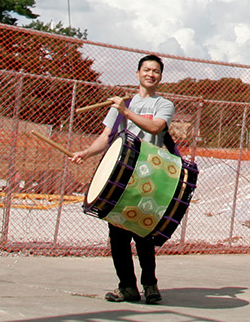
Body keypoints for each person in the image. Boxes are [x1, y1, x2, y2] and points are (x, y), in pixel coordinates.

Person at [71, 54, 176, 305]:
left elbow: (155, 128)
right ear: (138, 73)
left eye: (156, 71)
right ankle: (127, 286)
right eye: (146, 70)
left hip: (149, 175)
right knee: (117, 235)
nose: (150, 74)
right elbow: (106, 137)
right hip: (121, 176)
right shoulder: (120, 106)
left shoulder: (164, 105)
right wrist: (85, 153)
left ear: (160, 77)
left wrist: (126, 111)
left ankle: (150, 285)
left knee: (143, 232)